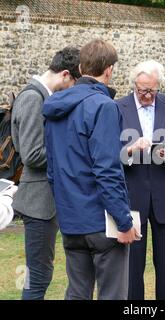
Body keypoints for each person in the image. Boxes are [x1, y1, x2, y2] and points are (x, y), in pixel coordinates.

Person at [43, 39, 138, 300]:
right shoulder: (104, 106)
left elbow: (52, 171)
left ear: (82, 66)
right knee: (112, 295)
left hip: (71, 220)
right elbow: (107, 169)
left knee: (77, 294)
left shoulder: (55, 107)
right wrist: (124, 220)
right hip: (100, 222)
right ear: (108, 70)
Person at [116, 60, 165, 300]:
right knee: (131, 269)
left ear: (159, 86)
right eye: (142, 91)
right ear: (134, 86)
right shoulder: (118, 107)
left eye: (152, 90)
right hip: (131, 195)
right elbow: (110, 153)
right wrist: (130, 149)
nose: (147, 95)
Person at [11, 47, 80, 300]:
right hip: (38, 202)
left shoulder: (43, 97)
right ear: (65, 75)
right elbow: (32, 155)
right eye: (74, 83)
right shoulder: (33, 98)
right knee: (38, 276)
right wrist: (72, 156)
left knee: (41, 274)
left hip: (47, 200)